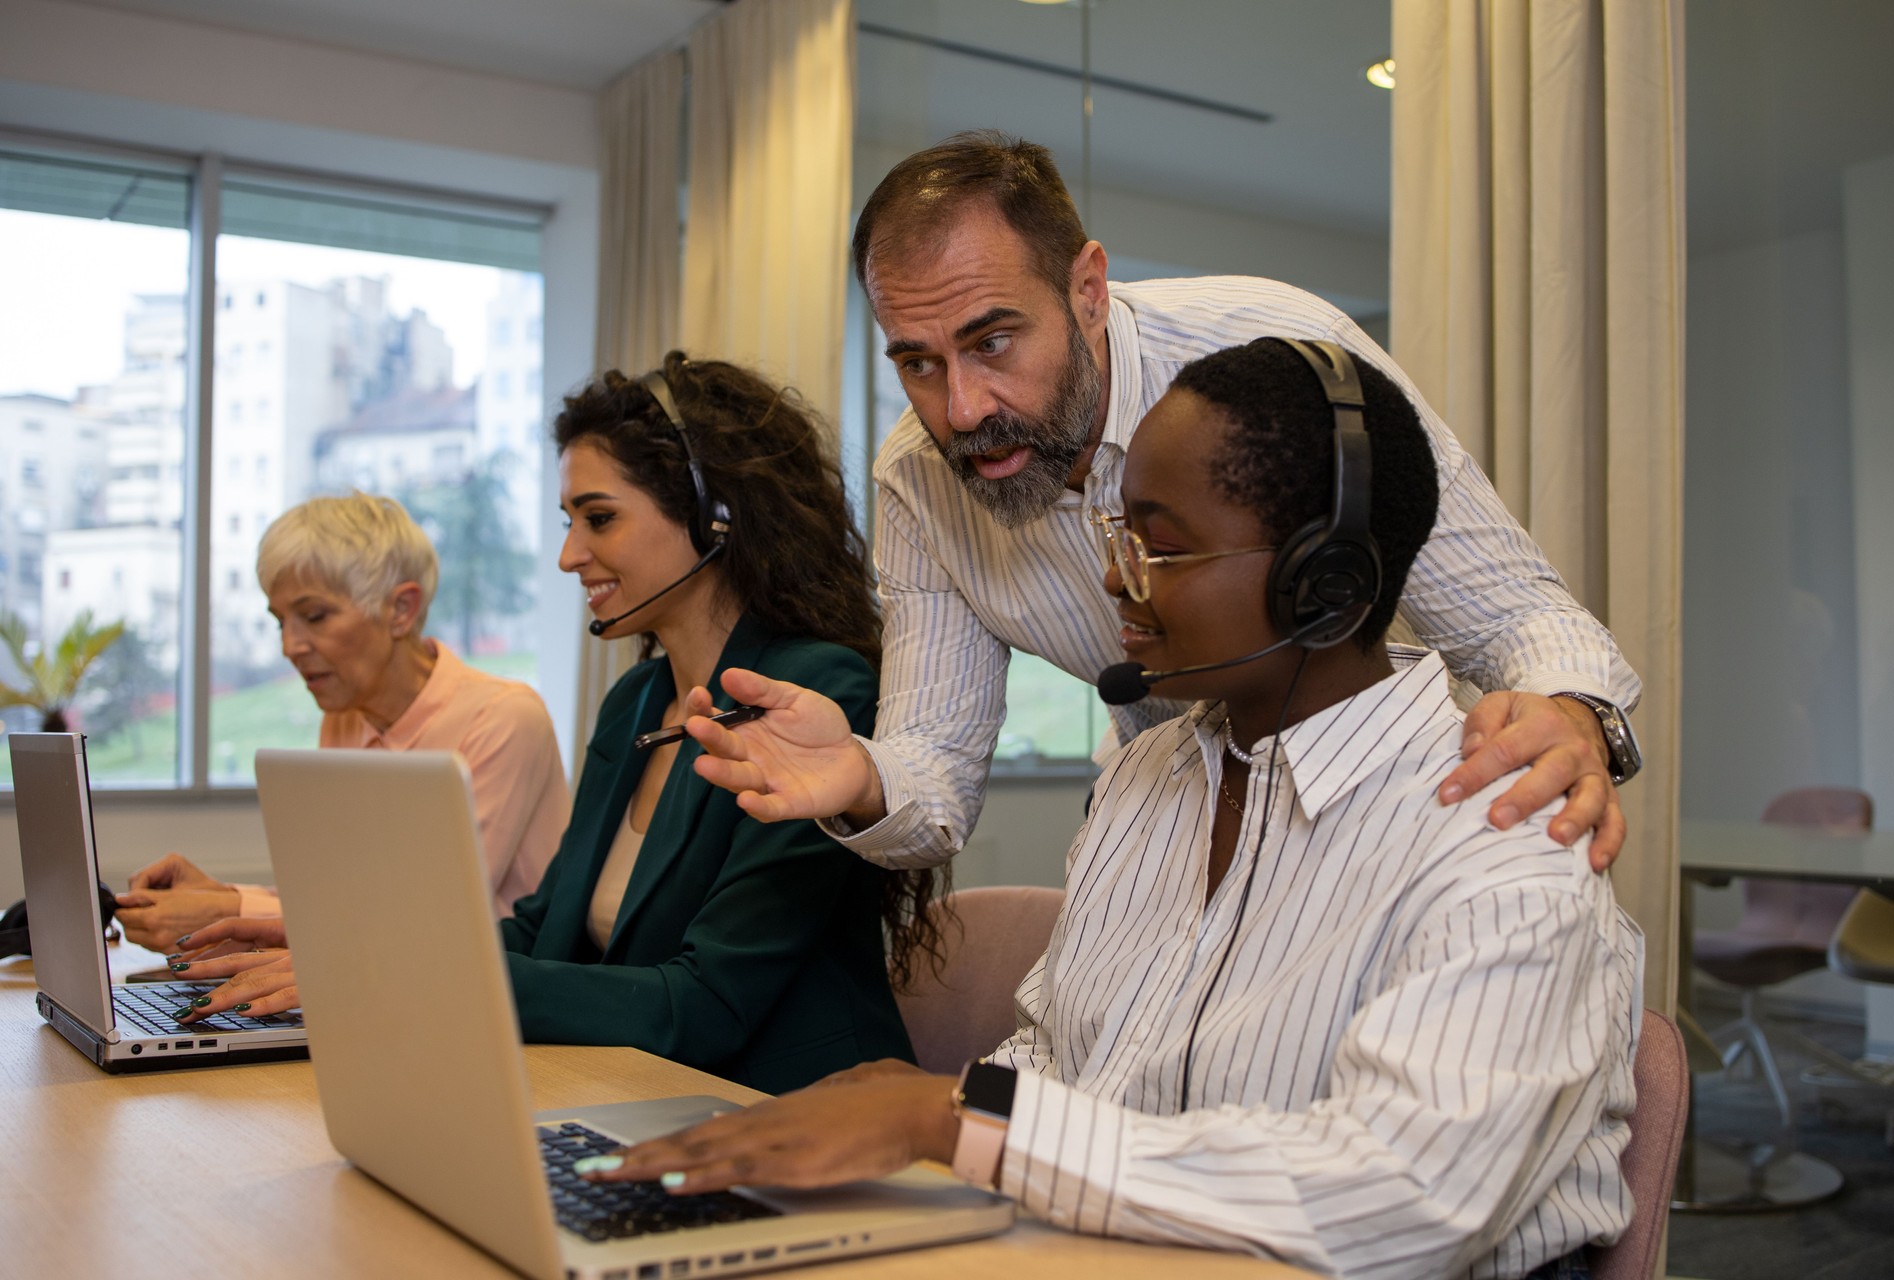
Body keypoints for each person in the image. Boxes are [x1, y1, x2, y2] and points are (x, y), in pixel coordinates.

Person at [584, 338, 1643, 1280]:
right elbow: (1060, 1057)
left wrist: (951, 1120)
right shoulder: (1148, 781)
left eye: (1161, 544)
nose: (1114, 579)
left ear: (1324, 586)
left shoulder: (1507, 824)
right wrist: (927, 1108)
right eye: (1118, 532)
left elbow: (1402, 1197)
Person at [698, 131, 1641, 876]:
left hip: (1379, 826)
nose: (961, 411)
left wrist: (1570, 715)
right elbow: (933, 778)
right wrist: (861, 775)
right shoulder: (919, 479)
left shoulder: (1283, 358)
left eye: (992, 342)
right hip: (1169, 836)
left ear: (1089, 290)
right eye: (916, 362)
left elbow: (1517, 616)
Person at [175, 356, 935, 1094]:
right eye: (568, 521)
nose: (571, 555)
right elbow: (545, 930)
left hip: (791, 1109)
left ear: (716, 514)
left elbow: (704, 1007)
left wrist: (407, 971)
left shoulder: (813, 692)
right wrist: (350, 954)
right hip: (636, 1093)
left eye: (598, 518)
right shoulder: (637, 702)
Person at [114, 493, 569, 951]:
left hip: (499, 1002)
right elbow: (343, 905)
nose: (290, 646)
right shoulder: (345, 718)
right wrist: (220, 899)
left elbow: (419, 913)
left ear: (401, 610)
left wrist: (227, 912)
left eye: (315, 616)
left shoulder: (504, 719)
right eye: (280, 622)